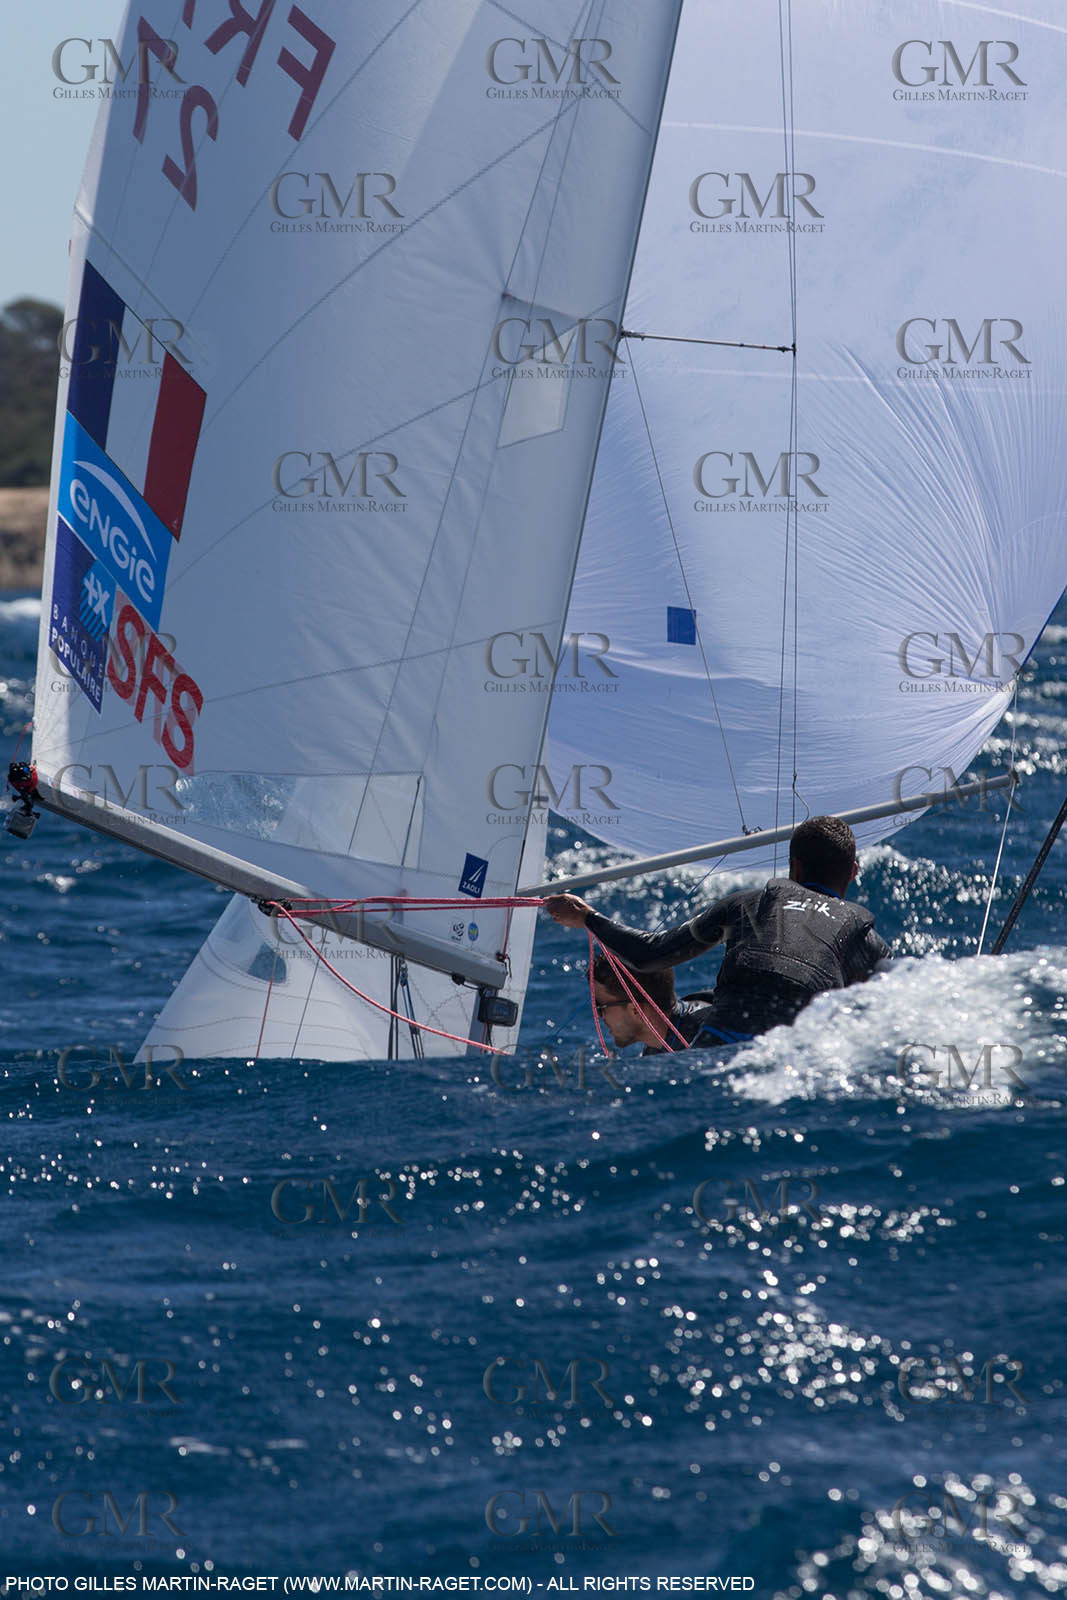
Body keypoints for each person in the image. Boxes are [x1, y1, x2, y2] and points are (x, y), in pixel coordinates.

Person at [546, 814, 891, 1042]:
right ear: (853, 872)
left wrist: (586, 916)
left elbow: (650, 954)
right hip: (795, 1053)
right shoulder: (864, 939)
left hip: (722, 1040)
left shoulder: (746, 905)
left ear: (794, 867)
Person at [591, 954, 724, 1054]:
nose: (599, 1016)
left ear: (635, 1010)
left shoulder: (708, 1038)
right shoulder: (657, 1047)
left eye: (600, 1006)